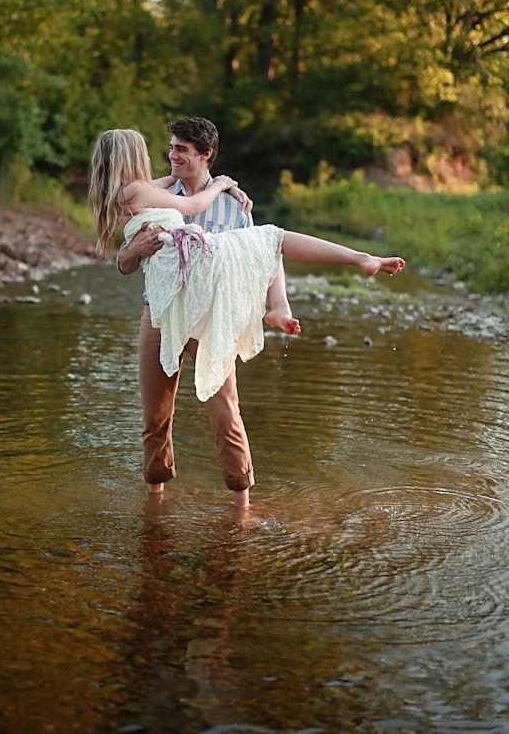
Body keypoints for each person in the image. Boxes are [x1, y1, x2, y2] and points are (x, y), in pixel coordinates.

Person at [90, 124, 406, 507]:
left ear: (205, 154)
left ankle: (242, 503)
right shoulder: (156, 193)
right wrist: (135, 249)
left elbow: (263, 257)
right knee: (155, 415)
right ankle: (154, 499)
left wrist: (279, 304)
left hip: (211, 316)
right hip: (159, 312)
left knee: (225, 413)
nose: (172, 155)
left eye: (182, 149)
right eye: (171, 148)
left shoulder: (231, 204)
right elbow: (125, 262)